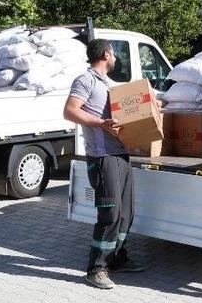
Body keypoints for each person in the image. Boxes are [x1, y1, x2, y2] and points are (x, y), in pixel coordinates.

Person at [63, 39, 145, 290]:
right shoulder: (85, 80)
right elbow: (70, 111)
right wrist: (100, 123)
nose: (116, 58)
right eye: (114, 54)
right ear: (107, 53)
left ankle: (117, 258)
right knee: (109, 213)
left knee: (125, 213)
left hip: (120, 154)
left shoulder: (108, 84)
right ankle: (96, 268)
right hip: (102, 157)